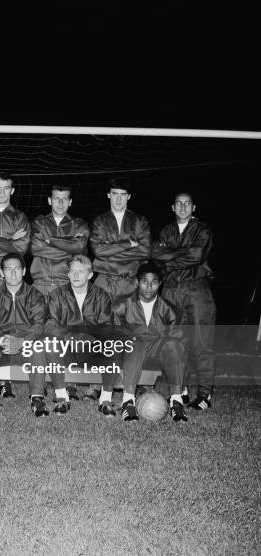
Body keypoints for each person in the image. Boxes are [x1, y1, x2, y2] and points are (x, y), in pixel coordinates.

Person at [87, 177, 151, 401]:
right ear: (108, 195)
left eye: (123, 194)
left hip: (130, 282)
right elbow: (98, 252)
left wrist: (112, 249)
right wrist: (127, 245)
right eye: (115, 193)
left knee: (129, 334)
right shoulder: (99, 221)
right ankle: (98, 384)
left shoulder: (140, 221)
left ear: (129, 197)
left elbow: (144, 252)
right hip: (104, 281)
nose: (118, 198)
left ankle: (128, 383)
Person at [152, 192, 216, 410]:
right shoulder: (167, 230)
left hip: (196, 290)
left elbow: (196, 255)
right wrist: (178, 255)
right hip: (170, 290)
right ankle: (180, 390)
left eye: (187, 203)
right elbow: (155, 254)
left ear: (193, 207)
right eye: (178, 204)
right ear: (172, 207)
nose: (182, 207)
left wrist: (169, 258)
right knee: (175, 343)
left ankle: (205, 394)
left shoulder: (202, 229)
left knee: (201, 343)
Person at [45, 255, 121, 417]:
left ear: (90, 275)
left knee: (113, 344)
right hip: (67, 350)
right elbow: (50, 325)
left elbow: (107, 327)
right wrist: (70, 337)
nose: (75, 275)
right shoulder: (56, 295)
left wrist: (87, 337)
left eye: (80, 271)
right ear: (68, 274)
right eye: (72, 271)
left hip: (91, 350)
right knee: (50, 343)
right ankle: (61, 397)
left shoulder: (102, 295)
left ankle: (105, 400)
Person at [114, 262, 187, 422]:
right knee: (135, 342)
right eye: (144, 281)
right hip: (130, 351)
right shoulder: (122, 305)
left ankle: (176, 401)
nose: (149, 286)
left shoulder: (169, 309)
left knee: (174, 345)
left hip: (155, 353)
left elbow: (177, 339)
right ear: (137, 282)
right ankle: (128, 402)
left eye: (154, 282)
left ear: (159, 284)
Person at [0, 254, 46, 414]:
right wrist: (2, 340)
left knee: (39, 346)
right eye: (8, 269)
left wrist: (22, 341)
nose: (13, 273)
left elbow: (39, 325)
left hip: (25, 344)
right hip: (2, 344)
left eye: (17, 268)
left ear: (24, 271)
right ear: (2, 273)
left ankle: (37, 398)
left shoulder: (35, 295)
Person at [30, 185, 89, 296]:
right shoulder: (39, 223)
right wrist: (69, 248)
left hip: (66, 286)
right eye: (57, 198)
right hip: (40, 286)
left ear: (70, 202)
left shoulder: (78, 224)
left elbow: (80, 247)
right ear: (49, 200)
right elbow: (36, 247)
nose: (61, 203)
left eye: (65, 199)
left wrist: (51, 240)